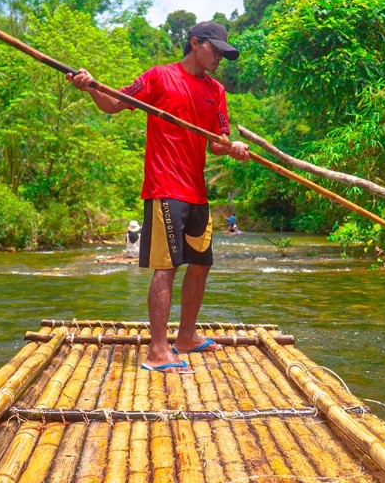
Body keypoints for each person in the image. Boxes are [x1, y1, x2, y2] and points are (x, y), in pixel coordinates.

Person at [68, 21, 250, 374]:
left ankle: (185, 338)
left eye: (223, 54)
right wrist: (90, 87)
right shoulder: (159, 77)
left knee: (202, 264)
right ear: (195, 44)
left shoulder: (217, 90)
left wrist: (234, 148)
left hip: (197, 191)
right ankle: (157, 351)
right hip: (165, 187)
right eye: (215, 50)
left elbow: (216, 143)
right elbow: (112, 104)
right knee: (167, 267)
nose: (219, 59)